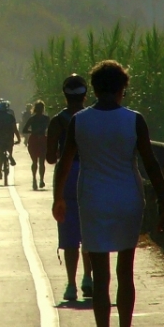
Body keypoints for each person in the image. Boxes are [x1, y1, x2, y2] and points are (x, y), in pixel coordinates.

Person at [53, 60, 164, 327]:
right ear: (122, 89)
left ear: (94, 88)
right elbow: (150, 164)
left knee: (101, 277)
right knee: (125, 273)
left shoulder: (79, 121)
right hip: (127, 200)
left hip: (92, 200)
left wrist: (57, 199)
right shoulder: (134, 120)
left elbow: (64, 162)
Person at [46, 74, 93, 302]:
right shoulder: (92, 117)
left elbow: (50, 158)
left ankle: (72, 284)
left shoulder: (57, 121)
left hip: (66, 178)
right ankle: (89, 279)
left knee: (70, 233)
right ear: (86, 95)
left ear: (64, 95)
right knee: (90, 230)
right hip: (91, 177)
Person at [23, 100, 50, 190]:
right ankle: (41, 180)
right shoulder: (46, 119)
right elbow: (51, 129)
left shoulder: (32, 119)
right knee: (42, 162)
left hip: (33, 139)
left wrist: (33, 131)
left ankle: (34, 180)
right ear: (43, 109)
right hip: (42, 139)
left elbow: (24, 130)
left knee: (34, 161)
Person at [0, 100, 20, 178]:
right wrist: (19, 138)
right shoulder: (10, 116)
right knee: (9, 148)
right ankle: (10, 155)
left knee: (0, 156)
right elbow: (15, 129)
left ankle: (0, 172)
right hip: (9, 138)